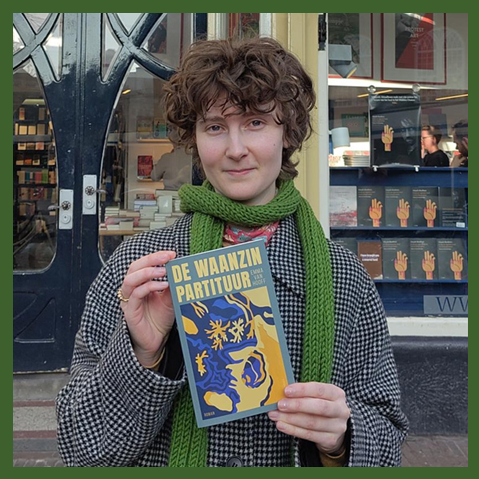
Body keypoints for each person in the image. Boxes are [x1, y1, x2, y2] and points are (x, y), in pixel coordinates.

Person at [56, 36, 408, 467]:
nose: (235, 149)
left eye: (256, 122)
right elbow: (81, 450)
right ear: (195, 137)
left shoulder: (343, 277)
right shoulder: (141, 268)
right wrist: (142, 356)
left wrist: (341, 438)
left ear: (287, 132)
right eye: (215, 127)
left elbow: (387, 437)